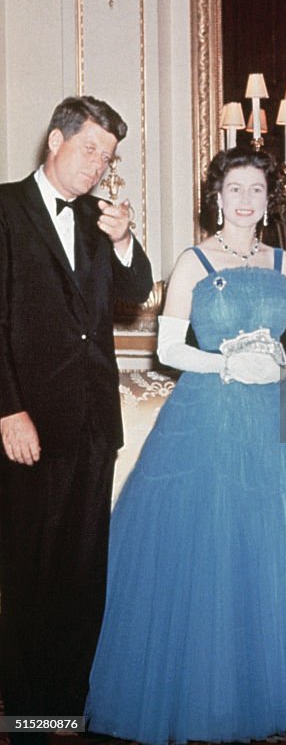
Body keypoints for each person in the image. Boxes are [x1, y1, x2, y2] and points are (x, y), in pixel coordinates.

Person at [86, 146, 286, 745]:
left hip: (277, 413)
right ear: (217, 196)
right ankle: (211, 692)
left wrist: (279, 363)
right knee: (212, 550)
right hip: (208, 415)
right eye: (235, 189)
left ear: (267, 199)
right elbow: (169, 350)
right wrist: (228, 361)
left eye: (256, 190)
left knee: (283, 543)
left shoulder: (285, 261)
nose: (245, 201)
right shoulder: (193, 261)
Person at [0, 96, 153, 730]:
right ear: (55, 142)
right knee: (29, 576)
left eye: (108, 156)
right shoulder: (4, 210)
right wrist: (9, 411)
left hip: (94, 422)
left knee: (82, 577)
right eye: (90, 149)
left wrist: (124, 243)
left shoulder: (99, 218)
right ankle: (29, 717)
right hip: (28, 424)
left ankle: (64, 712)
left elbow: (132, 296)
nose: (98, 166)